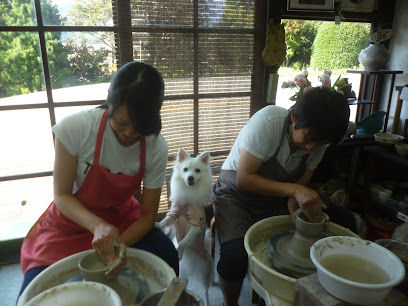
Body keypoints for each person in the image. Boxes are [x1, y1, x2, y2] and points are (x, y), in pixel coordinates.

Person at [19, 61, 178, 296]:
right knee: (35, 288)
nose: (129, 134)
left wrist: (118, 245)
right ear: (110, 102)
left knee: (167, 254)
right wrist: (98, 226)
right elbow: (61, 195)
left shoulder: (156, 146)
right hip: (70, 222)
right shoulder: (75, 129)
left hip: (121, 219)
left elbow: (146, 217)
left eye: (140, 127)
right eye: (122, 123)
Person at [212, 87, 356, 306]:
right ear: (294, 117)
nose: (311, 146)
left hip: (277, 197)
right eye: (309, 137)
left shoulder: (317, 143)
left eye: (320, 142)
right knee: (235, 254)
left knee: (344, 220)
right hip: (236, 195)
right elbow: (245, 179)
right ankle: (229, 303)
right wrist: (294, 191)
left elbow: (297, 190)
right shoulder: (268, 122)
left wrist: (297, 212)